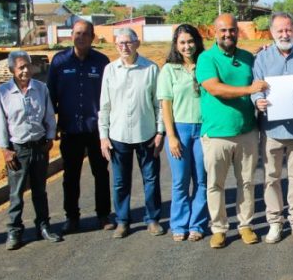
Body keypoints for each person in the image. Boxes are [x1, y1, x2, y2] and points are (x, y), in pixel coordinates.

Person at [196, 13, 267, 249]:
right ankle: (218, 228)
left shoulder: (247, 57)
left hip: (247, 131)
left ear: (238, 31)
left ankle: (245, 225)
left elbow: (262, 79)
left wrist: (267, 54)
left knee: (246, 182)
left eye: (232, 30)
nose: (228, 34)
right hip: (217, 134)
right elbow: (215, 88)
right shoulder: (206, 59)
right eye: (223, 30)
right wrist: (248, 89)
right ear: (214, 32)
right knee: (215, 184)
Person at [252, 12, 293, 243]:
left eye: (288, 29)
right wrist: (257, 101)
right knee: (271, 177)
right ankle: (275, 222)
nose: (284, 34)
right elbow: (256, 87)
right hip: (271, 129)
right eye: (279, 30)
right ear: (271, 32)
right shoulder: (262, 58)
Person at [47, 20, 113, 233]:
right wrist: (51, 126)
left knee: (101, 173)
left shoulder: (102, 62)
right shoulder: (59, 61)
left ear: (92, 37)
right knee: (70, 176)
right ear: (71, 36)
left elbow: (110, 95)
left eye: (85, 34)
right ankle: (72, 217)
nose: (81, 37)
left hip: (96, 130)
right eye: (77, 33)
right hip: (70, 129)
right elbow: (50, 96)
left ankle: (103, 215)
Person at [99, 28, 165, 239]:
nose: (124, 47)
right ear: (115, 45)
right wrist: (103, 136)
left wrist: (160, 132)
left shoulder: (150, 68)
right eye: (120, 43)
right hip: (118, 136)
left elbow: (159, 104)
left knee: (151, 179)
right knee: (120, 182)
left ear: (137, 44)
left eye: (128, 42)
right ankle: (122, 221)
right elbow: (105, 105)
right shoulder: (110, 70)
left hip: (146, 133)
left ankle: (152, 219)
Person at [0, 51, 61, 250]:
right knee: (16, 194)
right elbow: (0, 123)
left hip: (39, 147)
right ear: (11, 70)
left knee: (40, 191)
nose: (25, 71)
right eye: (20, 67)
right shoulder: (3, 92)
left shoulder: (41, 89)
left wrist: (50, 137)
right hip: (17, 150)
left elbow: (49, 115)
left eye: (27, 66)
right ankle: (14, 231)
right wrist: (5, 150)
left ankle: (44, 226)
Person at [158, 24, 208, 242]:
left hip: (204, 129)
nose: (187, 46)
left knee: (202, 180)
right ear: (176, 45)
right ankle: (179, 224)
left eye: (190, 41)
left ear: (197, 42)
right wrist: (171, 136)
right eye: (182, 43)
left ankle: (197, 224)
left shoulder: (205, 65)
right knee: (180, 181)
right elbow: (165, 104)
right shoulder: (169, 70)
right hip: (180, 129)